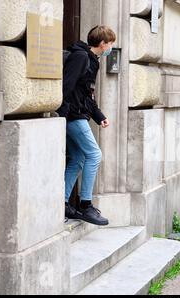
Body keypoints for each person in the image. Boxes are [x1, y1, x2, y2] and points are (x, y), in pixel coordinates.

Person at [57, 25, 116, 226]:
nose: (111, 48)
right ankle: (85, 204)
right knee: (94, 155)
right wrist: (64, 115)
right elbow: (67, 86)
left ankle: (62, 203)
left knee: (79, 157)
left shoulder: (91, 60)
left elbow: (85, 93)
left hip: (76, 114)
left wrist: (99, 116)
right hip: (73, 115)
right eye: (110, 43)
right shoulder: (81, 57)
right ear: (102, 43)